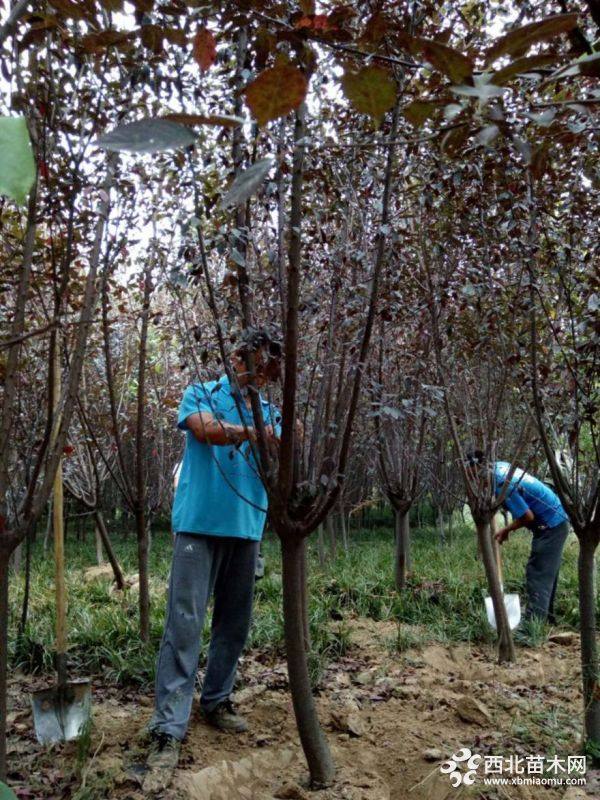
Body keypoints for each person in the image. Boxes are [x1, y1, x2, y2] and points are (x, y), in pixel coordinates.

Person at [142, 330, 281, 792]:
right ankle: (167, 729)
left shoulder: (272, 410)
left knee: (233, 625)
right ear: (238, 356)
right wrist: (258, 433)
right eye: (257, 361)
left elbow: (285, 446)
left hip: (247, 529)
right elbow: (204, 430)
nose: (262, 371)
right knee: (184, 623)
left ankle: (216, 700)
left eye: (270, 365)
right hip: (198, 527)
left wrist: (277, 432)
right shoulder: (201, 393)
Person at [466, 451, 569, 626]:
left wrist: (506, 529)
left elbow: (527, 516)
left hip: (551, 525)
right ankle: (547, 619)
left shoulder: (501, 483)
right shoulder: (500, 466)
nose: (471, 479)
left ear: (478, 467)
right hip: (557, 518)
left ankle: (533, 625)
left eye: (471, 474)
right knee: (547, 572)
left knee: (537, 572)